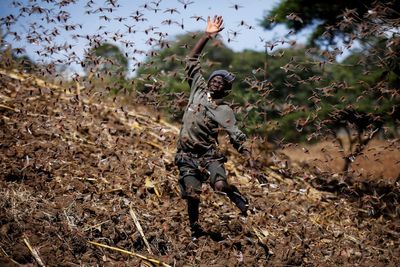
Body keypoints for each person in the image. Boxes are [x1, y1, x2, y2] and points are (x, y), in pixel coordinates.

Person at [174, 15, 251, 240]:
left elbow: (235, 134)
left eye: (222, 83)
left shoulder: (224, 110)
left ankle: (233, 194)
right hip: (186, 155)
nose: (216, 83)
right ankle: (195, 227)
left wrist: (248, 154)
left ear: (225, 90)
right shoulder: (197, 89)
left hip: (208, 155)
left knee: (219, 185)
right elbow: (191, 60)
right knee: (192, 194)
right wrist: (207, 36)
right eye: (215, 79)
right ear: (209, 81)